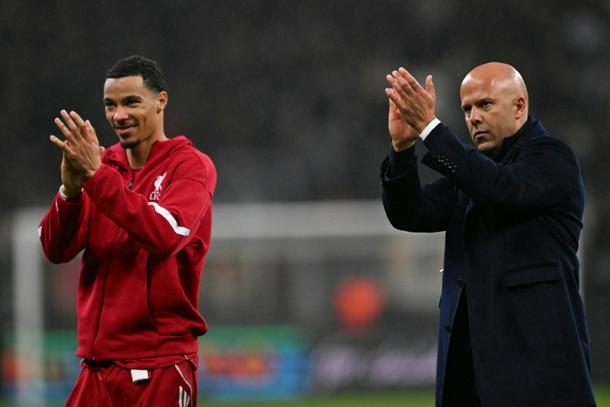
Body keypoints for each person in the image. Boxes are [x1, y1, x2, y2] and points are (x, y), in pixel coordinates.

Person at [381, 62, 596, 407]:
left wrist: (430, 128)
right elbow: (410, 213)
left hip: (537, 376)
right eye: (467, 109)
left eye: (484, 104)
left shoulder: (553, 159)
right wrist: (402, 148)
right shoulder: (469, 178)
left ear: (519, 106)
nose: (474, 118)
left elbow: (499, 188)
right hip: (471, 376)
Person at [39, 55, 217, 406]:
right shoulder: (102, 166)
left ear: (160, 101)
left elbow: (164, 236)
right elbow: (55, 250)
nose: (119, 115)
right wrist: (70, 192)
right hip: (96, 369)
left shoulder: (191, 167)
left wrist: (97, 177)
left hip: (159, 366)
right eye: (111, 105)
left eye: (131, 102)